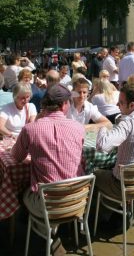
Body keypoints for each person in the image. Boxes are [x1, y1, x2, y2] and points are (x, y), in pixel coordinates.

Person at [11, 84, 85, 254]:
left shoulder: (31, 129)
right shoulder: (78, 128)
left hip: (47, 204)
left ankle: (46, 235)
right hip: (77, 200)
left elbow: (16, 157)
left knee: (21, 192)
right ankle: (53, 233)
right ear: (64, 104)